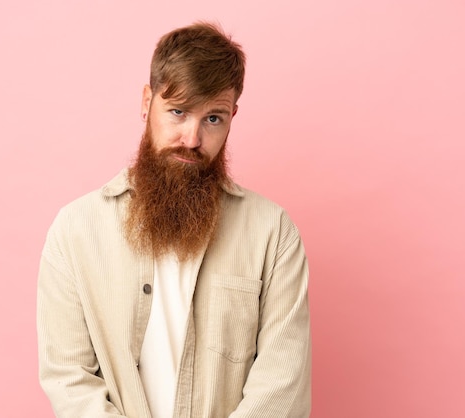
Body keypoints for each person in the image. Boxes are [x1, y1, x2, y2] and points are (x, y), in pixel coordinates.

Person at [37, 22, 311, 418]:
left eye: (213, 119)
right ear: (147, 101)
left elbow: (282, 384)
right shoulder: (75, 231)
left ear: (233, 116)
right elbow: (69, 377)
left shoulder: (273, 234)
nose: (192, 138)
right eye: (178, 112)